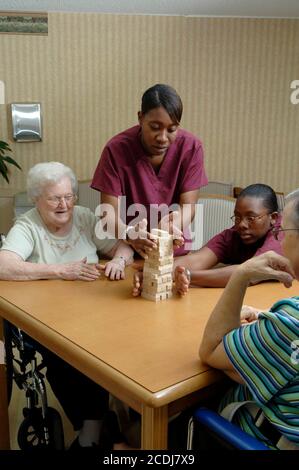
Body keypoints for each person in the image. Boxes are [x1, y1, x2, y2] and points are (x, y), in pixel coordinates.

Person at [0, 162, 134, 449]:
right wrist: (61, 271)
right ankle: (93, 431)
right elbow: (3, 265)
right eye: (54, 198)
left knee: (110, 347)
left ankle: (103, 426)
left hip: (96, 313)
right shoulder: (28, 226)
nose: (64, 204)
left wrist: (118, 261)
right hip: (51, 322)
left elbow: (123, 246)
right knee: (71, 358)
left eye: (69, 196)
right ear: (36, 198)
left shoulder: (85, 218)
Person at [198, 189, 299, 449]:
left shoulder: (289, 325)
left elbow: (210, 350)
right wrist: (268, 321)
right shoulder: (286, 322)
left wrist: (241, 274)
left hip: (260, 434)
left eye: (282, 232)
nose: (279, 240)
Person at [91, 83, 208, 258]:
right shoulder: (116, 149)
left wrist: (171, 226)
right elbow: (108, 215)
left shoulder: (191, 147)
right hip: (130, 250)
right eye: (154, 127)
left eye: (171, 129)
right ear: (140, 118)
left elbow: (188, 208)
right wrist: (130, 233)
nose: (162, 138)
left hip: (173, 251)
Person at [132, 184, 284, 296]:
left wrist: (189, 276)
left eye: (251, 218)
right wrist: (153, 274)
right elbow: (198, 259)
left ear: (273, 218)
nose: (242, 225)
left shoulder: (283, 235)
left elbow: (249, 272)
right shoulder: (233, 235)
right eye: (237, 217)